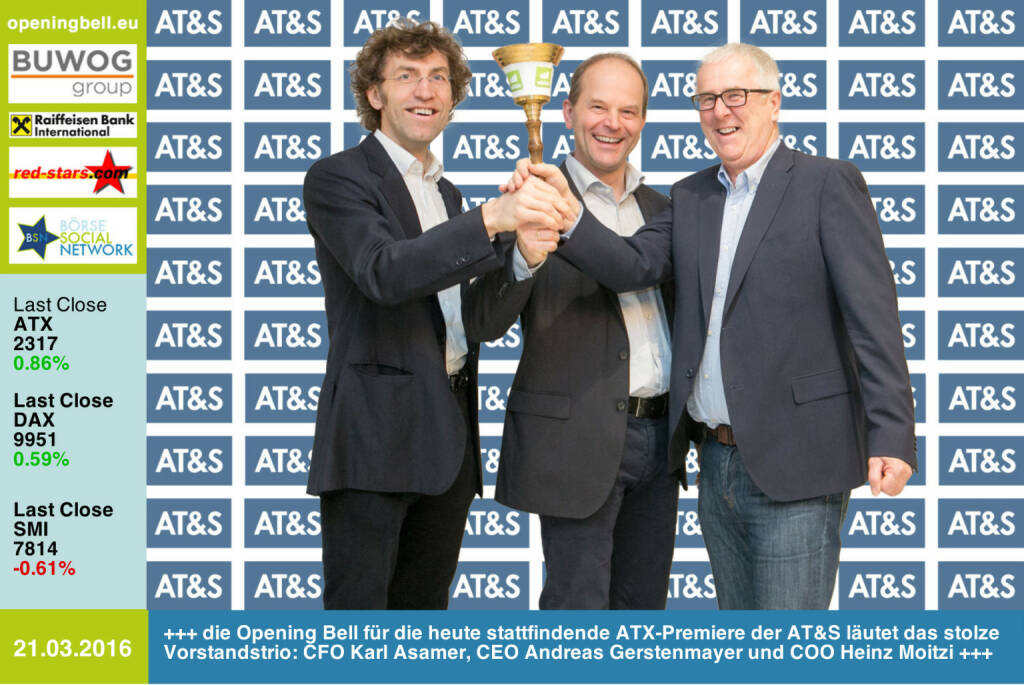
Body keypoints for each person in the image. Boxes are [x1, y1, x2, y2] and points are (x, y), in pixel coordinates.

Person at [522, 42, 916, 609]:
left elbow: (873, 318)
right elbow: (631, 266)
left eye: (737, 95)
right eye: (706, 99)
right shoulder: (690, 196)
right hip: (715, 462)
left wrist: (892, 435)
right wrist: (567, 212)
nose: (721, 111)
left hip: (801, 459)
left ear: (774, 102)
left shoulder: (827, 183)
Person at [303, 19, 567, 610]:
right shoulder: (338, 178)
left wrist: (521, 256)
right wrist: (492, 219)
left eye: (439, 78)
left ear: (453, 97)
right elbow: (384, 272)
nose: (425, 91)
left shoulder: (447, 196)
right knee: (358, 635)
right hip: (374, 444)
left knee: (424, 629)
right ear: (375, 94)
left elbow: (476, 325)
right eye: (406, 76)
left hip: (449, 443)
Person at [463, 54, 680, 609]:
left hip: (660, 443)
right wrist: (524, 258)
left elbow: (660, 291)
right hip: (575, 441)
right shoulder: (528, 199)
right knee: (576, 615)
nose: (613, 123)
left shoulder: (667, 208)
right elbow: (482, 321)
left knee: (644, 615)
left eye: (628, 111)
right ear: (567, 112)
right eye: (598, 107)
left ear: (643, 121)